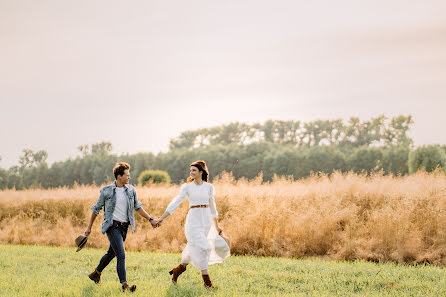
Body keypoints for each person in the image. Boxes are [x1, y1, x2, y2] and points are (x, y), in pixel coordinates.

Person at [83, 162, 159, 292]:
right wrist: (89, 227)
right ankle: (125, 286)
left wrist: (150, 219)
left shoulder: (131, 190)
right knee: (121, 254)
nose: (129, 177)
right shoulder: (106, 191)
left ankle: (96, 273)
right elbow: (96, 209)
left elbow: (138, 207)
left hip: (124, 228)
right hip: (112, 226)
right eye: (127, 175)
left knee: (111, 253)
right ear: (119, 176)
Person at [157, 160, 230, 289]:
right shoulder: (187, 187)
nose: (191, 172)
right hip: (193, 221)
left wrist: (217, 225)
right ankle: (207, 283)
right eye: (190, 170)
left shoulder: (209, 187)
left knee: (193, 249)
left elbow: (213, 208)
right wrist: (162, 217)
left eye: (194, 170)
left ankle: (177, 271)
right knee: (205, 248)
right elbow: (176, 202)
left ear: (201, 172)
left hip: (206, 221)